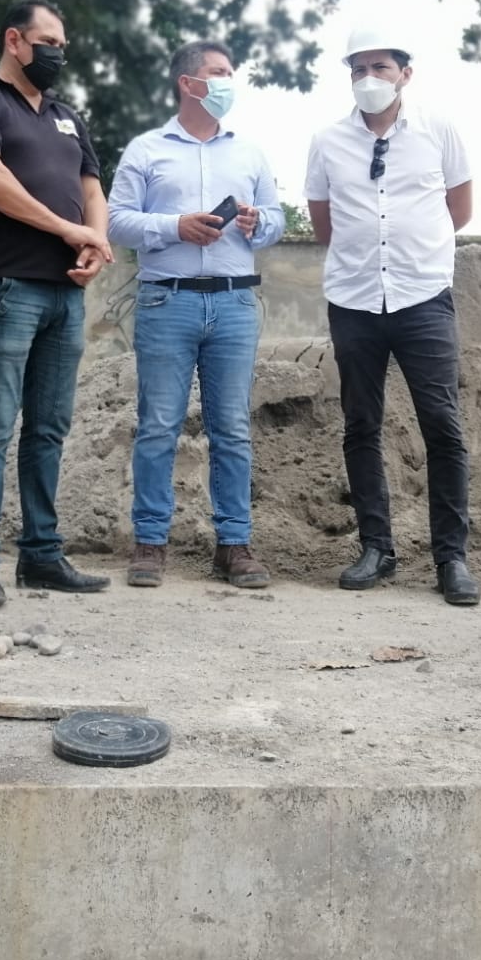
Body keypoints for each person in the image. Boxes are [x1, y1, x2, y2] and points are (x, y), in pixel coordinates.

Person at [0, 0, 113, 609]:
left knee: (48, 430)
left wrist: (95, 241)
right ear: (14, 41)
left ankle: (41, 554)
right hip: (3, 287)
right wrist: (68, 231)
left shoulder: (68, 116)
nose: (58, 54)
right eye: (48, 42)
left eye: (63, 45)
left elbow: (92, 189)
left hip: (65, 292)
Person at [305, 29, 478, 605]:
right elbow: (323, 222)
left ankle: (451, 558)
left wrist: (413, 250)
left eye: (380, 67)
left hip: (423, 296)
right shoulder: (328, 141)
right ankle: (375, 547)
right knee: (361, 425)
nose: (368, 78)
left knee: (442, 425)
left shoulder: (439, 130)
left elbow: (458, 209)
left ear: (406, 72)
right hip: (354, 300)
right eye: (357, 69)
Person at [107, 40, 284, 588]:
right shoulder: (146, 149)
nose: (228, 81)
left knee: (232, 429)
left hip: (234, 302)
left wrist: (258, 223)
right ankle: (149, 542)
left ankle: (234, 545)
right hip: (167, 300)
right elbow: (115, 221)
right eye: (218, 72)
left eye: (230, 72)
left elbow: (276, 220)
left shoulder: (250, 153)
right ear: (188, 83)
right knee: (158, 426)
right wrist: (175, 227)